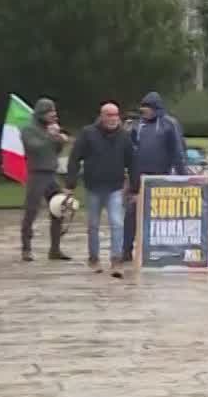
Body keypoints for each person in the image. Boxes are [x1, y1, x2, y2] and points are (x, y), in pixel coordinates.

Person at [66, 102, 135, 276]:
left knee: (117, 223)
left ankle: (116, 261)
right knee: (93, 225)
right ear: (102, 116)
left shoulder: (124, 137)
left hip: (115, 188)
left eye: (116, 115)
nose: (113, 119)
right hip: (93, 187)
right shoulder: (88, 134)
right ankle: (94, 259)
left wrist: (135, 188)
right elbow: (74, 159)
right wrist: (70, 184)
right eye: (109, 115)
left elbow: (132, 163)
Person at [123, 92, 188, 264]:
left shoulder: (169, 124)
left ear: (156, 108)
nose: (144, 110)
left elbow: (178, 152)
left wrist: (184, 178)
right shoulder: (137, 125)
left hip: (161, 178)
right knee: (131, 214)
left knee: (160, 217)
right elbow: (128, 149)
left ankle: (160, 251)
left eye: (147, 107)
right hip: (138, 178)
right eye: (142, 107)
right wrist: (126, 132)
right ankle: (126, 250)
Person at [18, 98, 70, 262]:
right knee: (31, 211)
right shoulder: (28, 130)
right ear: (40, 113)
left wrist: (59, 139)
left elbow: (56, 150)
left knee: (59, 209)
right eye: (49, 112)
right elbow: (35, 146)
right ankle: (26, 248)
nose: (53, 115)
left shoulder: (50, 129)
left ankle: (55, 249)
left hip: (51, 175)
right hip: (36, 174)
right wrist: (51, 135)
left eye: (54, 111)